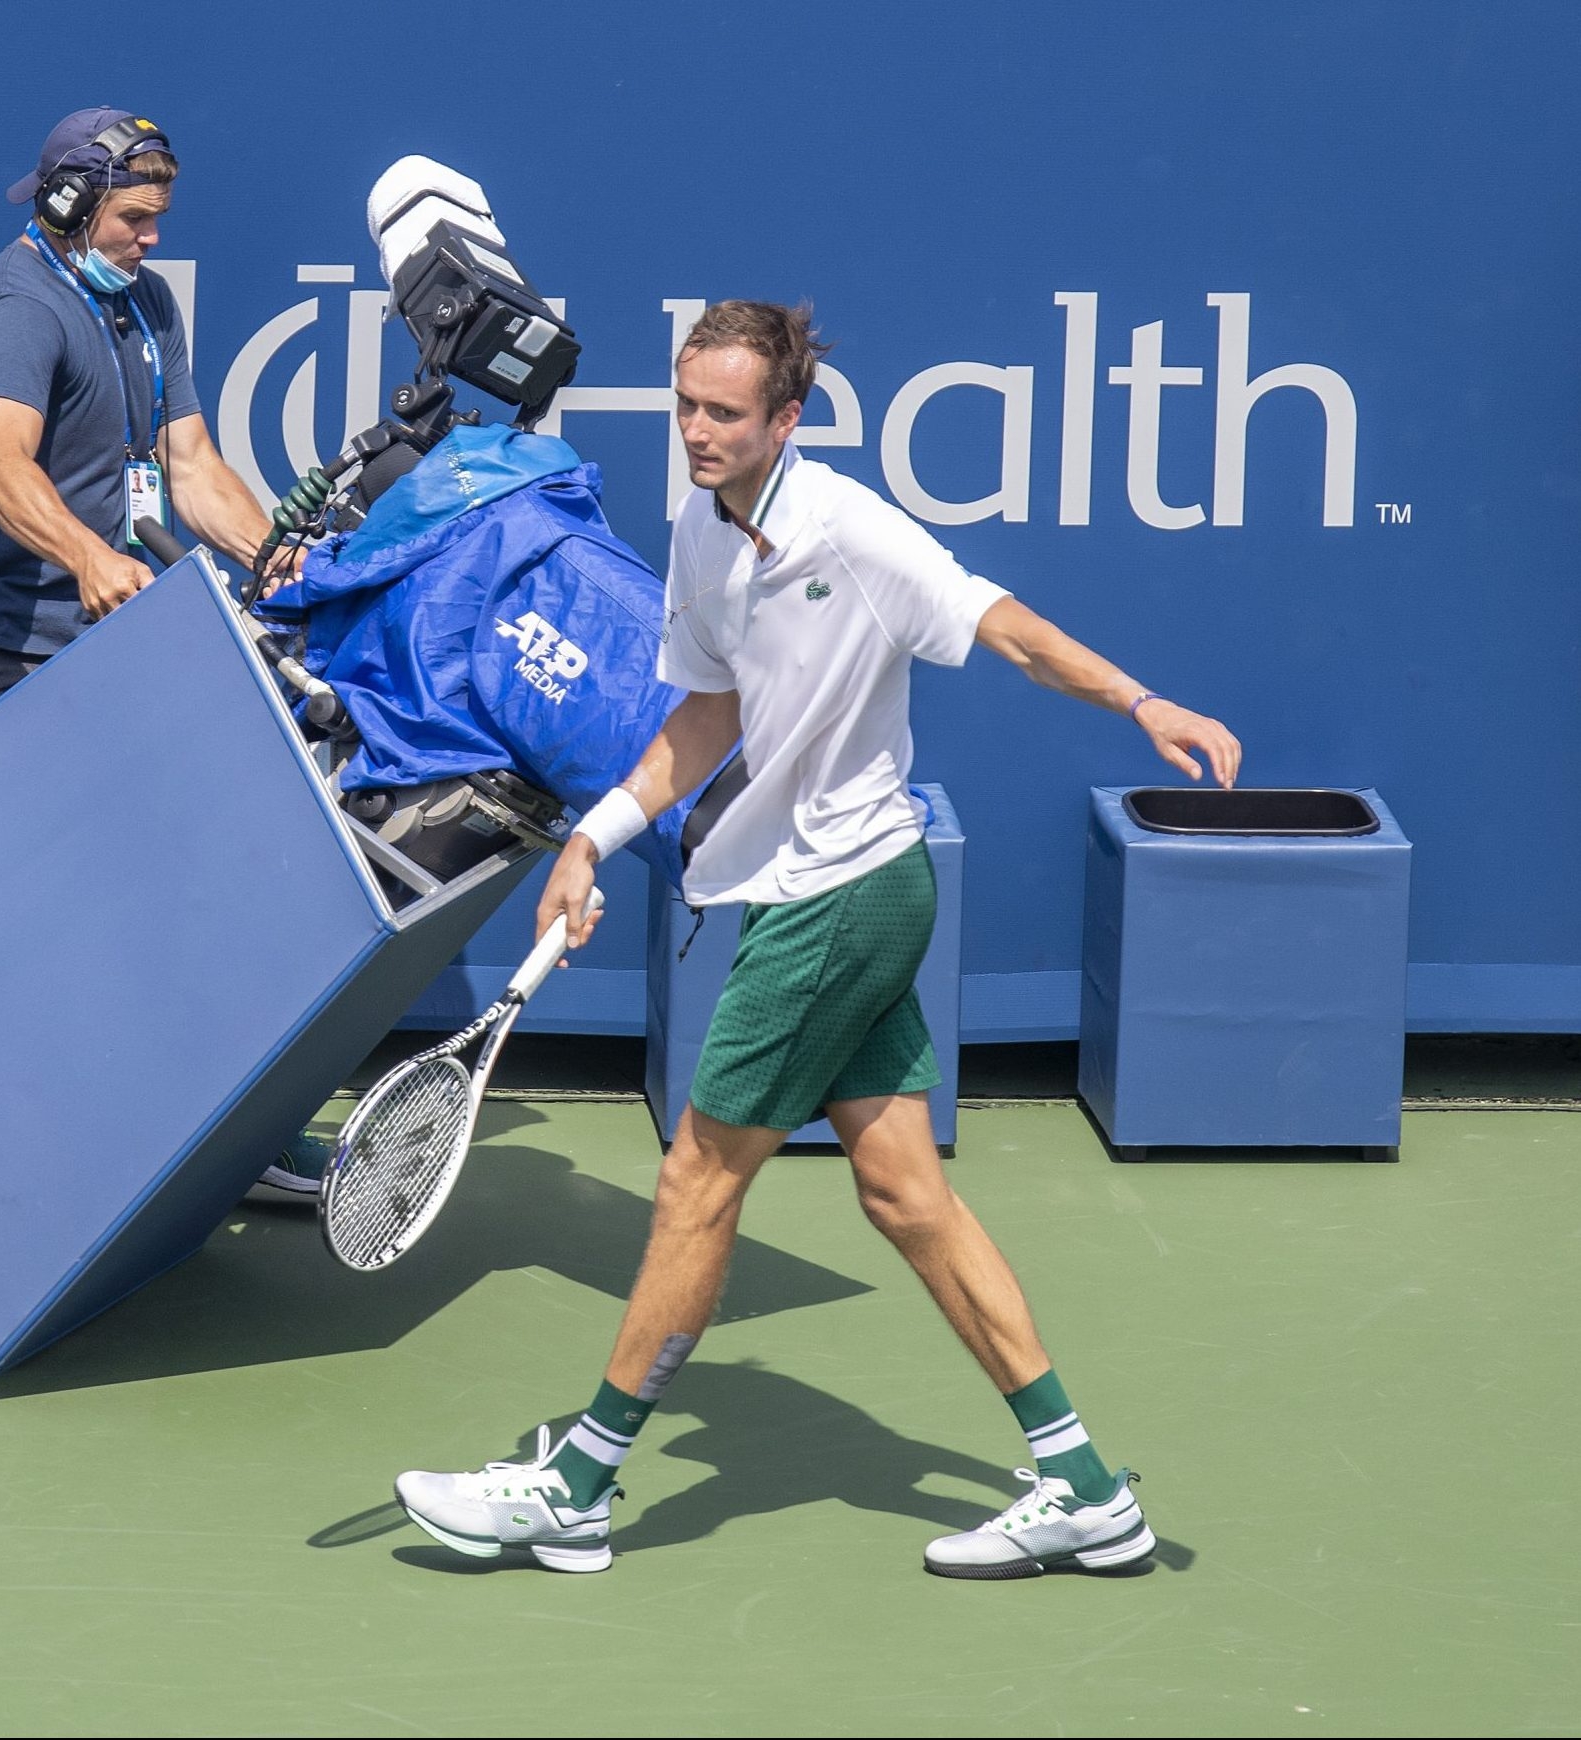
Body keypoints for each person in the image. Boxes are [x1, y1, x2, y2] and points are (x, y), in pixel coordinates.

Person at [392, 299, 1243, 1578]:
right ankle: (1080, 1486)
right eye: (685, 407)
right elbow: (705, 717)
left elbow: (1002, 625)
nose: (696, 433)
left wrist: (1137, 698)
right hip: (822, 896)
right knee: (906, 1195)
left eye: (723, 413)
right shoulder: (697, 526)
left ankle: (578, 1485)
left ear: (785, 418)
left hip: (843, 899)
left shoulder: (851, 530)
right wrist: (594, 839)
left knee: (695, 1181)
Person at [0, 108, 324, 1279]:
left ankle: (220, 1141)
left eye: (159, 218)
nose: (152, 237)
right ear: (64, 206)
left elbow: (192, 468)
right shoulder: (15, 303)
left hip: (110, 654)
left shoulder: (146, 307)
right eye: (134, 216)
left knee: (186, 894)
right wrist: (92, 557)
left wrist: (281, 562)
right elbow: (2, 465)